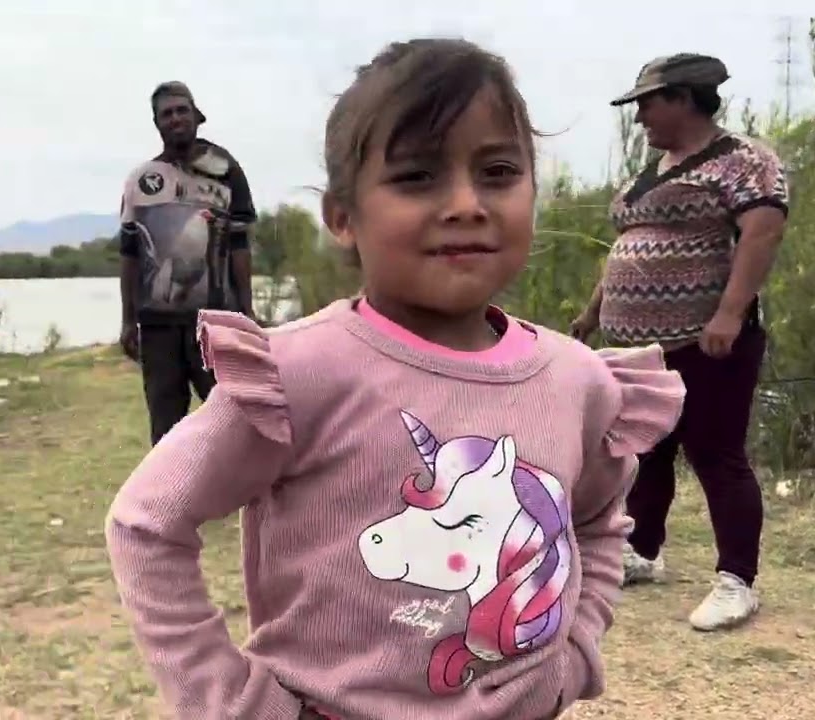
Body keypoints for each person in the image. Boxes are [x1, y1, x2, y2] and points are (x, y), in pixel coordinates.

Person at [105, 38, 686, 720]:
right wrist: (230, 701)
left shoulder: (578, 382)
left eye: (498, 171)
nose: (467, 203)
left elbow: (594, 522)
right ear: (343, 217)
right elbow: (146, 524)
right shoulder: (300, 372)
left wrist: (575, 649)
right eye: (417, 177)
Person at [571, 54, 789, 632]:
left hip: (707, 338)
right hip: (639, 345)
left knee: (717, 455)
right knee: (647, 448)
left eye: (647, 102)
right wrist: (592, 316)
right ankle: (643, 551)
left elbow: (762, 232)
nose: (639, 117)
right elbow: (630, 246)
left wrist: (728, 314)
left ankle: (736, 579)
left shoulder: (744, 162)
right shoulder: (651, 172)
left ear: (685, 98)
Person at [117, 81, 258, 446]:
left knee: (233, 422)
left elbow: (240, 244)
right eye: (167, 113)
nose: (176, 118)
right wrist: (127, 318)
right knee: (167, 433)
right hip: (158, 326)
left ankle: (235, 497)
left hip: (214, 322)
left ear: (196, 116)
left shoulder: (226, 171)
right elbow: (129, 252)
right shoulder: (142, 180)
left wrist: (247, 310)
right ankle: (171, 502)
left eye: (182, 110)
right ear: (157, 123)